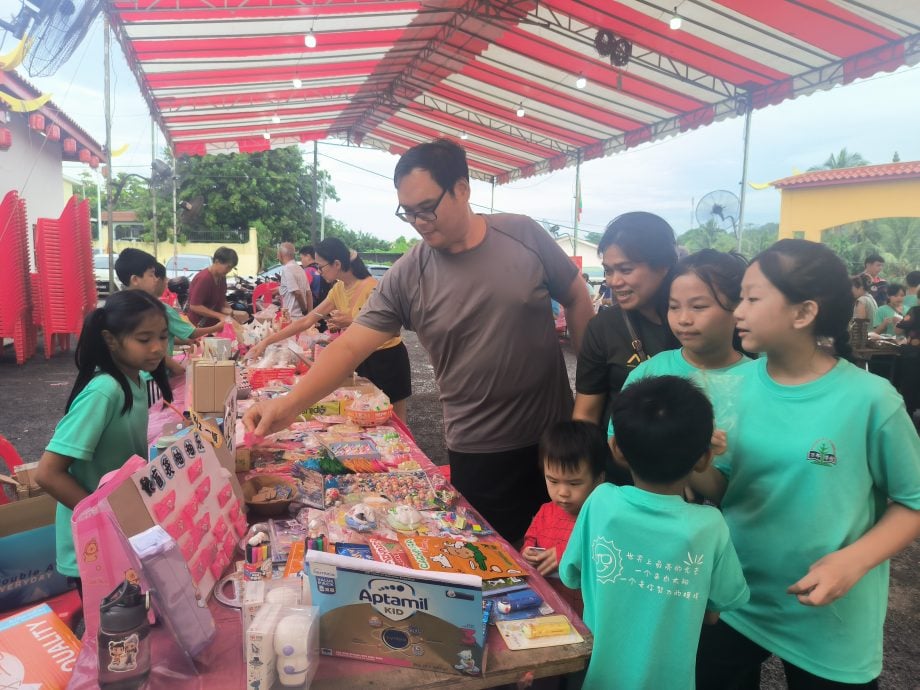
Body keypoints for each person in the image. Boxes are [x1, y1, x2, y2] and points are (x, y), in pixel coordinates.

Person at [244, 138, 594, 543]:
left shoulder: (523, 236)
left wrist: (589, 406)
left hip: (556, 438)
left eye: (426, 208)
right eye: (408, 213)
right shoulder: (408, 274)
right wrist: (289, 405)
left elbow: (577, 297)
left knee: (568, 560)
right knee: (504, 566)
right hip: (479, 449)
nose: (419, 221)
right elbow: (349, 346)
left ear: (462, 189)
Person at [694, 239, 920, 689]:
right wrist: (684, 460)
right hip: (737, 595)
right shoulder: (731, 387)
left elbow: (913, 503)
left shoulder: (871, 400)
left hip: (832, 611)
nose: (737, 310)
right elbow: (726, 489)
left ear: (803, 313)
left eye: (753, 298)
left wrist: (853, 562)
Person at [560, 375, 749, 690]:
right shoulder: (709, 526)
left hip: (600, 680)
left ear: (616, 449)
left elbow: (571, 575)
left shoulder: (601, 502)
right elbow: (713, 614)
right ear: (704, 458)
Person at [34, 290, 172, 588]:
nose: (158, 348)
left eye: (163, 336)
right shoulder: (105, 390)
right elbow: (47, 473)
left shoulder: (136, 378)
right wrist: (104, 521)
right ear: (111, 340)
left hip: (123, 533)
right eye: (144, 339)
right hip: (96, 545)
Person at [247, 238, 412, 421]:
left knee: (395, 420)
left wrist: (352, 321)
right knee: (365, 416)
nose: (318, 271)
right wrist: (266, 341)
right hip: (360, 358)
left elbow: (394, 330)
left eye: (320, 266)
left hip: (387, 359)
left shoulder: (372, 287)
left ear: (337, 264)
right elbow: (307, 320)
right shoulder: (338, 289)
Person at [614, 249, 751, 446]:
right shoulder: (649, 373)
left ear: (738, 308)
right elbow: (618, 445)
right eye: (674, 307)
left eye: (698, 306)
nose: (683, 319)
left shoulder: (759, 379)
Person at [574, 212, 680, 427]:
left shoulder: (696, 325)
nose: (614, 281)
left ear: (663, 265)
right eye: (608, 271)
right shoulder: (603, 328)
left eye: (626, 269)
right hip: (617, 455)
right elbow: (586, 414)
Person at [521, 420, 608, 614]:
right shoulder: (546, 511)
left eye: (574, 483)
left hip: (584, 614)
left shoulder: (602, 519)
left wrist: (566, 556)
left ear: (598, 479)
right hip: (545, 607)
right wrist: (527, 552)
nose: (562, 492)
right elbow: (531, 538)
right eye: (552, 480)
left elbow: (606, 563)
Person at [116, 250, 222, 375]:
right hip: (150, 376)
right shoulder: (151, 309)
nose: (157, 280)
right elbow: (153, 347)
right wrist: (174, 366)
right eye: (152, 275)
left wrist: (183, 341)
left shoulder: (124, 305)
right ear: (135, 279)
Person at [187, 246, 238, 327]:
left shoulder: (222, 277)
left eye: (231, 268)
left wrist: (231, 312)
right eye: (228, 267)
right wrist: (219, 315)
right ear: (217, 261)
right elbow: (194, 306)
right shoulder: (204, 278)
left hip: (214, 325)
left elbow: (221, 299)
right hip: (198, 326)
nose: (229, 270)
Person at [277, 242, 311, 318]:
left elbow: (297, 293)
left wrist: (304, 310)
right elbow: (309, 293)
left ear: (281, 254)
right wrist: (309, 315)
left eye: (278, 254)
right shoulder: (300, 269)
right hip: (301, 318)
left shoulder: (287, 269)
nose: (277, 257)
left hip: (292, 317)